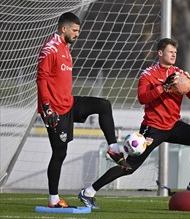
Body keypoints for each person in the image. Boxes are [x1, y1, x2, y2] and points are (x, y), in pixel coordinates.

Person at [78, 38, 190, 209]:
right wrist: (162, 87)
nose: (174, 55)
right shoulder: (148, 74)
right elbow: (142, 98)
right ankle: (88, 192)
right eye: (171, 52)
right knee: (129, 167)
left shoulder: (179, 74)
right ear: (160, 53)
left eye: (175, 53)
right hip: (153, 128)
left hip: (173, 125)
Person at [36, 12, 130, 208]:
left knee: (103, 105)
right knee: (59, 154)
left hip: (68, 103)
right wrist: (47, 108)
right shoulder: (50, 48)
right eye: (75, 30)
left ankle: (113, 149)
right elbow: (42, 78)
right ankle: (53, 199)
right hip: (54, 110)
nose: (78, 34)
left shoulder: (65, 48)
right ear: (64, 29)